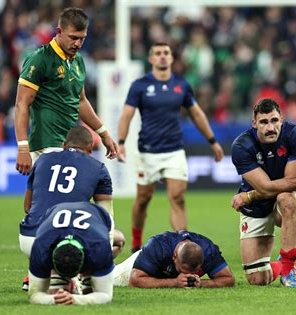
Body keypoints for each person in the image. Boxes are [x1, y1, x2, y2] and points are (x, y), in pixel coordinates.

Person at [117, 42, 224, 253]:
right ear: (151, 59)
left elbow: (196, 114)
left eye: (166, 53)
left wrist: (213, 141)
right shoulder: (140, 85)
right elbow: (126, 115)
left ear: (172, 58)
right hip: (147, 151)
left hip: (174, 150)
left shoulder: (181, 85)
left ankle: (183, 244)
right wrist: (121, 142)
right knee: (143, 199)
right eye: (157, 53)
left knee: (177, 197)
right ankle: (136, 243)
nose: (162, 57)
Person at [230, 98, 296, 288]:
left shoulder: (294, 135)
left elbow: (289, 185)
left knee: (287, 198)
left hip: (280, 203)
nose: (270, 127)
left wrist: (247, 196)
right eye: (264, 122)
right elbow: (266, 188)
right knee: (258, 279)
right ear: (254, 124)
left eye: (274, 121)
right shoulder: (242, 146)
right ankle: (280, 263)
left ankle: (288, 270)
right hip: (255, 208)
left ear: (281, 120)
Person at [14, 7, 117, 176]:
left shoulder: (78, 61)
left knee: (47, 201)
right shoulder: (41, 59)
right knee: (58, 200)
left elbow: (81, 101)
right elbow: (21, 104)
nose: (77, 43)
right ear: (59, 32)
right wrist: (23, 147)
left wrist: (103, 133)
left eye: (82, 39)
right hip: (46, 145)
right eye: (73, 38)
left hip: (70, 145)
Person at [19, 126, 124, 289]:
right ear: (90, 147)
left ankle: (47, 274)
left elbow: (27, 206)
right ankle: (85, 276)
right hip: (65, 242)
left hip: (28, 241)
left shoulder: (42, 160)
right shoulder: (98, 168)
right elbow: (106, 218)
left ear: (64, 145)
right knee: (118, 240)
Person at [28, 201, 115, 305]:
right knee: (56, 289)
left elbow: (106, 295)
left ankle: (87, 278)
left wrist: (74, 299)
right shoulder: (41, 245)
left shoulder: (99, 245)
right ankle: (61, 278)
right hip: (52, 215)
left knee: (90, 288)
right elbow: (33, 295)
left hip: (99, 216)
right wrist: (54, 300)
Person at [112, 230, 235, 288]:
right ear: (174, 256)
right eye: (183, 270)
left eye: (193, 272)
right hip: (137, 265)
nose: (187, 275)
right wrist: (175, 282)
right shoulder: (157, 247)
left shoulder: (208, 250)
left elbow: (228, 279)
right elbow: (134, 281)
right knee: (106, 278)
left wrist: (202, 283)